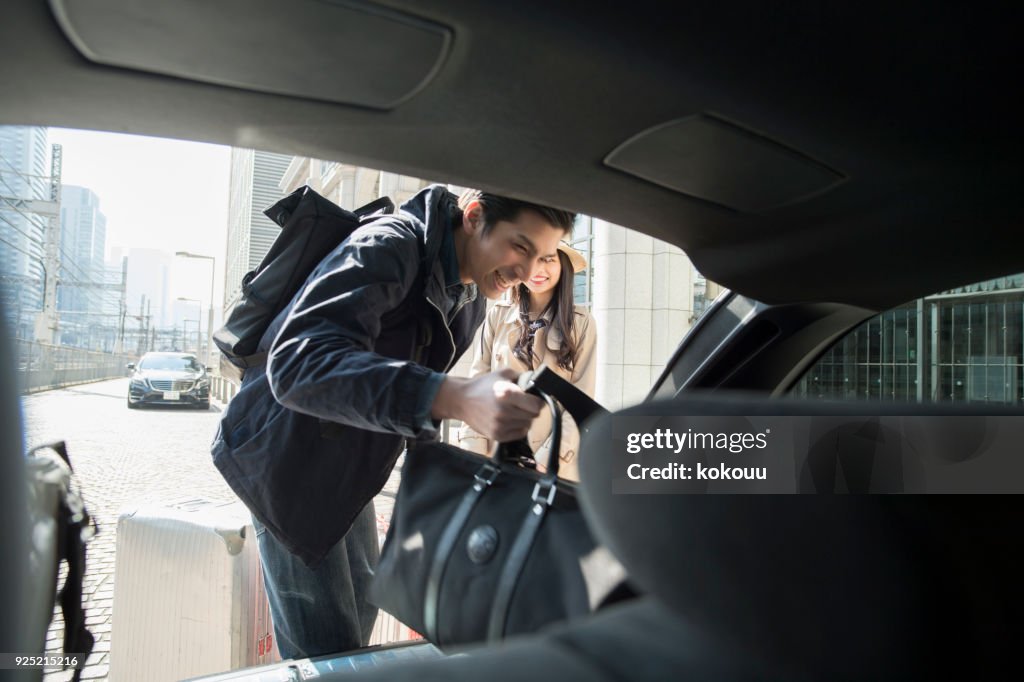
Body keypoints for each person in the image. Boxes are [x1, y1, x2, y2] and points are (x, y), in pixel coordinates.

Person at [211, 185, 576, 659]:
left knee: (357, 618)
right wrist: (454, 395)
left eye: (545, 254)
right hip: (284, 462)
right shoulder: (389, 246)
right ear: (474, 216)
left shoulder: (471, 294)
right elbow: (298, 366)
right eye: (520, 246)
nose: (528, 272)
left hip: (349, 463)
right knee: (327, 650)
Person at [457, 242, 596, 481]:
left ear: (563, 266)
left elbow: (581, 399)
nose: (537, 269)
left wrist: (549, 459)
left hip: (551, 466)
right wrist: (474, 450)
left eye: (549, 259)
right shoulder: (498, 315)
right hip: (495, 456)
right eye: (531, 259)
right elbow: (477, 383)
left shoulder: (581, 322)